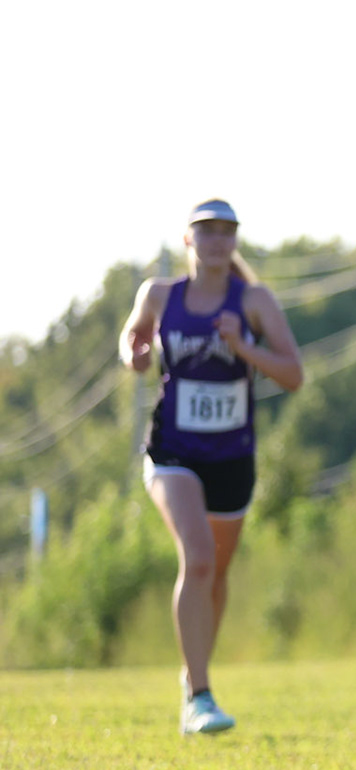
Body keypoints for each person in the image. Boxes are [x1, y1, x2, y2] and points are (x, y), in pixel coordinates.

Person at [120, 200, 303, 735]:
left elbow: (293, 375)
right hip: (173, 452)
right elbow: (132, 338)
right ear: (188, 239)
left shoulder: (255, 301)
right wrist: (134, 354)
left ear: (236, 240)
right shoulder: (159, 294)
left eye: (227, 231)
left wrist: (243, 347)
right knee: (198, 558)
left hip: (232, 457)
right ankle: (200, 698)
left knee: (216, 575)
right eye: (207, 231)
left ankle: (192, 676)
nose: (218, 240)